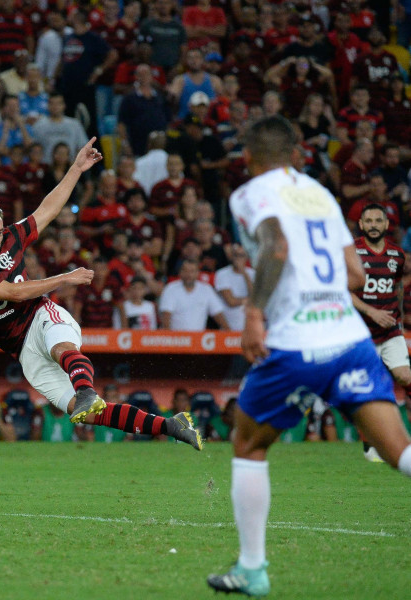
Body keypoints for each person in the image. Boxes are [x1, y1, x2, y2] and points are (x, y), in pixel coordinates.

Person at [207, 115, 411, 597]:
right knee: (399, 450)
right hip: (350, 340)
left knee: (249, 446)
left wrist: (254, 311)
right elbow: (357, 276)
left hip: (295, 345)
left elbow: (276, 245)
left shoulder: (250, 193)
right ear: (297, 153)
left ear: (250, 159)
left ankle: (252, 570)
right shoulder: (320, 194)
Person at [0, 138, 201, 448]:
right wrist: (64, 278)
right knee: (86, 414)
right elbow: (12, 294)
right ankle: (172, 425)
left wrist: (77, 168)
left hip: (41, 315)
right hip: (23, 351)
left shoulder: (11, 239)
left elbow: (48, 210)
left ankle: (86, 389)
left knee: (62, 350)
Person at [351, 204, 411, 462]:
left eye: (378, 220)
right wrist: (372, 312)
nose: (373, 224)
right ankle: (370, 445)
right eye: (369, 220)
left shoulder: (397, 255)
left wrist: (396, 316)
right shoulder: (352, 253)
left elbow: (395, 288)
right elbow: (343, 291)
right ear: (361, 225)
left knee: (406, 377)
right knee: (367, 389)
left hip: (390, 331)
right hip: (361, 333)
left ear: (387, 225)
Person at [159, 259, 229, 331]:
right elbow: (166, 315)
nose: (188, 275)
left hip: (198, 338)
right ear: (180, 272)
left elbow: (218, 313)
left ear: (198, 273)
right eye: (185, 271)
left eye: (192, 271)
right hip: (177, 338)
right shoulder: (171, 289)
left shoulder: (206, 289)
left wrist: (228, 332)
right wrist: (169, 336)